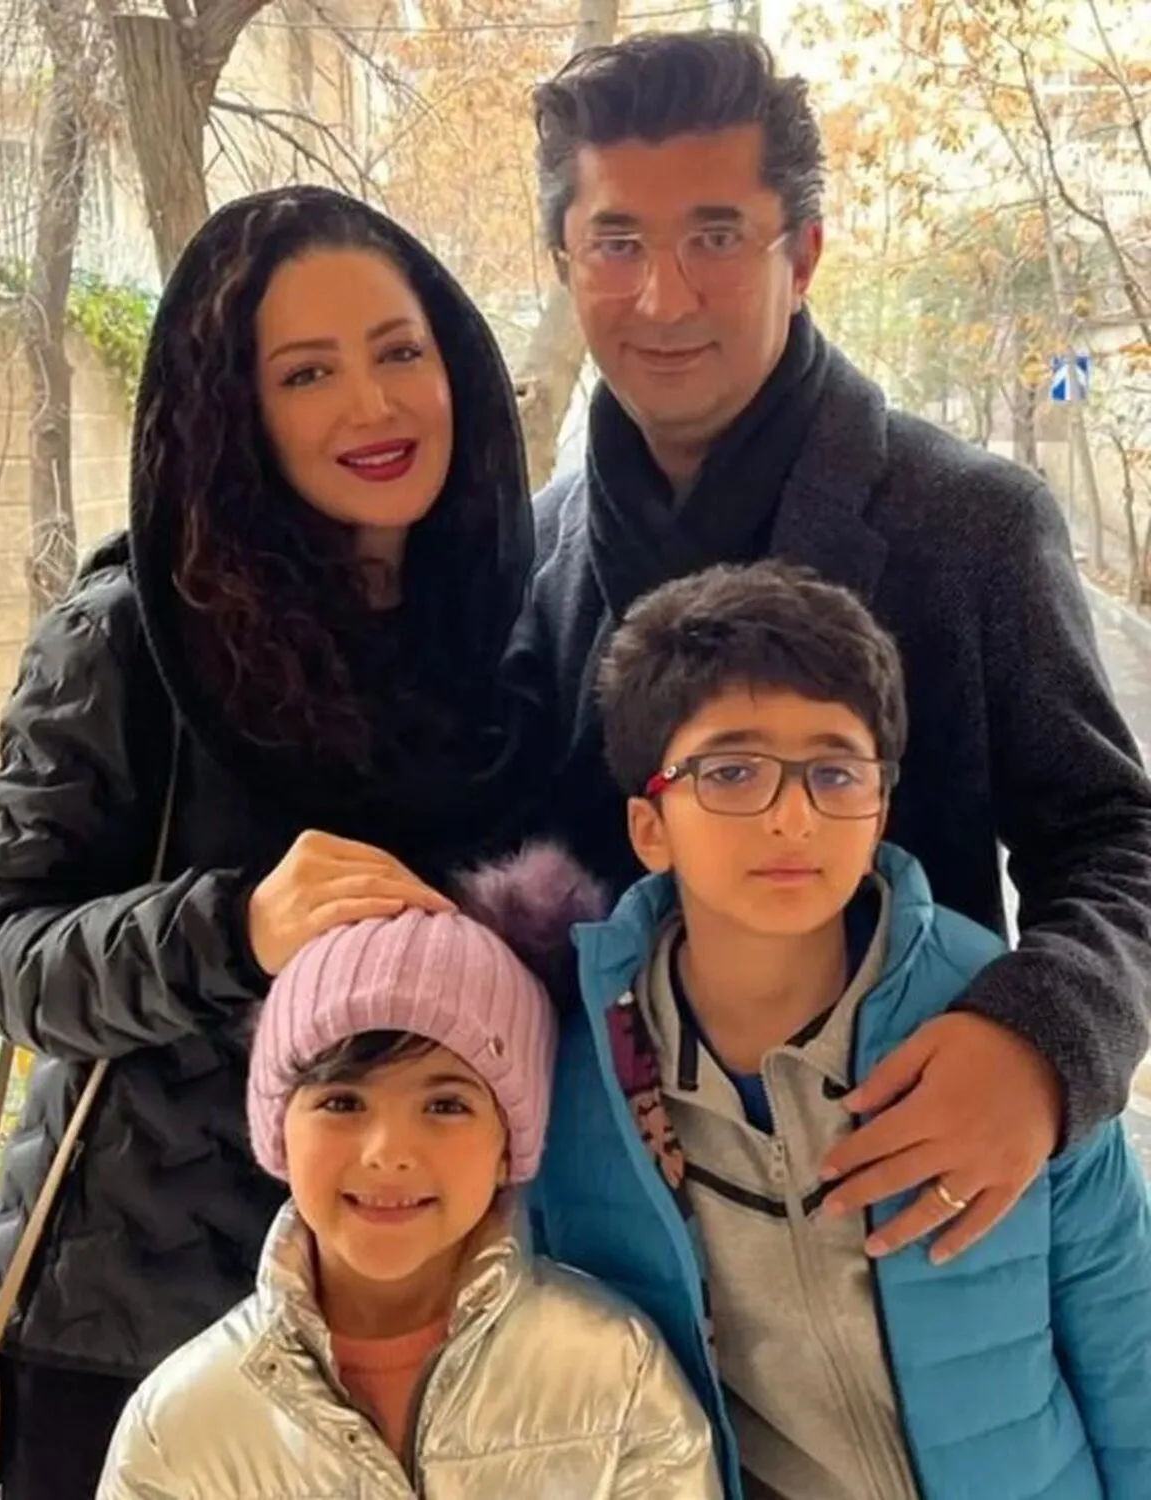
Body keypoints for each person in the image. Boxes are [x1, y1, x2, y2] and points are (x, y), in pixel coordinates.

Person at [521, 30, 1151, 1263]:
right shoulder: (531, 555)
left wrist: (1041, 1041)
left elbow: (1116, 838)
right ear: (564, 262)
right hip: (615, 1252)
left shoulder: (968, 522)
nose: (664, 297)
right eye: (618, 243)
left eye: (715, 237)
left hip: (908, 1226)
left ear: (802, 253)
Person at [0, 186, 540, 1500]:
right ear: (239, 410)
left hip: (415, 1326)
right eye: (307, 372)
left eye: (398, 351)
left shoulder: (500, 636)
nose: (372, 404)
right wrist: (234, 927)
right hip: (134, 1328)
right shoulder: (133, 635)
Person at [530, 560, 1151, 1500]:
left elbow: (1124, 1336)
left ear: (879, 811)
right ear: (649, 827)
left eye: (833, 773)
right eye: (731, 772)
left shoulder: (1002, 1024)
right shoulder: (584, 1083)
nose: (793, 817)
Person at [96, 852, 722, 1499]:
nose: (388, 1152)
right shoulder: (181, 1424)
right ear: (278, 1128)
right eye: (343, 1102)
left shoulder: (616, 1374)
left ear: (510, 1143)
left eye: (445, 1106)